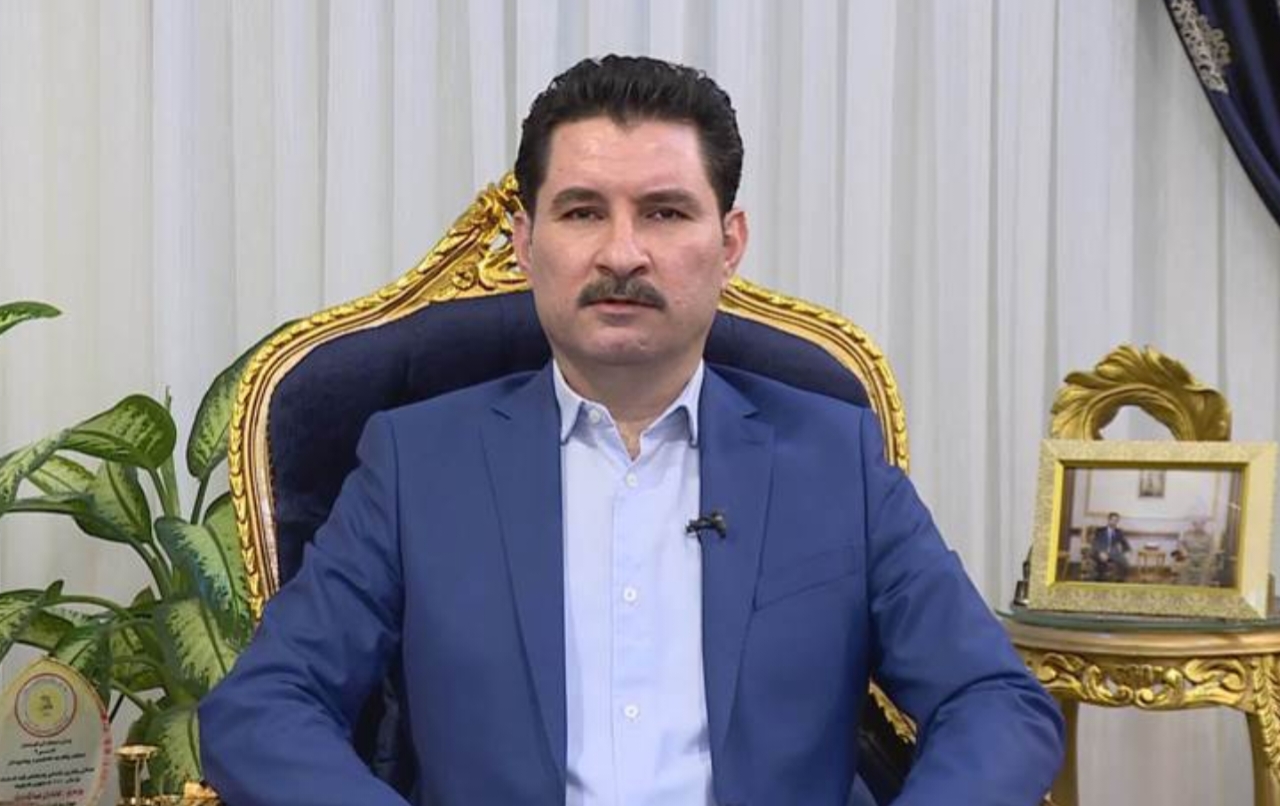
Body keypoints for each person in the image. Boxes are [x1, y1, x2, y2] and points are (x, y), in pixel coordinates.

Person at [199, 55, 1063, 805]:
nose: (622, 253)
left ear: (729, 244)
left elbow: (997, 703)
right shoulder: (418, 462)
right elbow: (262, 710)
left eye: (665, 212)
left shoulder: (833, 459)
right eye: (582, 212)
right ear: (524, 242)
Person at [1089, 512, 1132, 582]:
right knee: (1101, 563)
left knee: (1125, 563)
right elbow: (1095, 542)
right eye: (1112, 520)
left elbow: (1124, 543)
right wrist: (1100, 552)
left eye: (1116, 521)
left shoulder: (1119, 532)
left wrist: (1127, 551)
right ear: (1108, 520)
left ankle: (1120, 582)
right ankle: (1100, 581)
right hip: (1101, 552)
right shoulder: (1100, 530)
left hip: (1113, 553)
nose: (1114, 522)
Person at [1176, 516, 1218, 586]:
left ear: (1204, 525)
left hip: (1203, 557)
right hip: (1189, 556)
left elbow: (1212, 549)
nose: (1198, 527)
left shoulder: (1209, 537)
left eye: (1201, 524)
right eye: (1196, 524)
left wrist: (1209, 559)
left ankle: (1201, 588)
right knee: (1184, 567)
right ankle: (1184, 588)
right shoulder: (1187, 535)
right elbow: (1180, 544)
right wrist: (1184, 552)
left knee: (1206, 569)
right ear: (1193, 525)